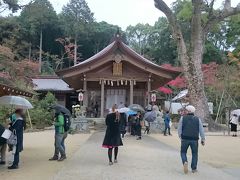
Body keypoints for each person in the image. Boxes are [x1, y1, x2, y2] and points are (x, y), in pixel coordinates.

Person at [178, 105, 205, 174]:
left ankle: (185, 162)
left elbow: (179, 129)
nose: (185, 111)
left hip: (185, 138)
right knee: (194, 153)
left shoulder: (182, 118)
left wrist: (180, 136)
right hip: (194, 139)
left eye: (186, 110)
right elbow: (201, 129)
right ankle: (194, 168)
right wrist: (203, 139)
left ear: (189, 111)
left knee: (183, 152)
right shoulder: (197, 119)